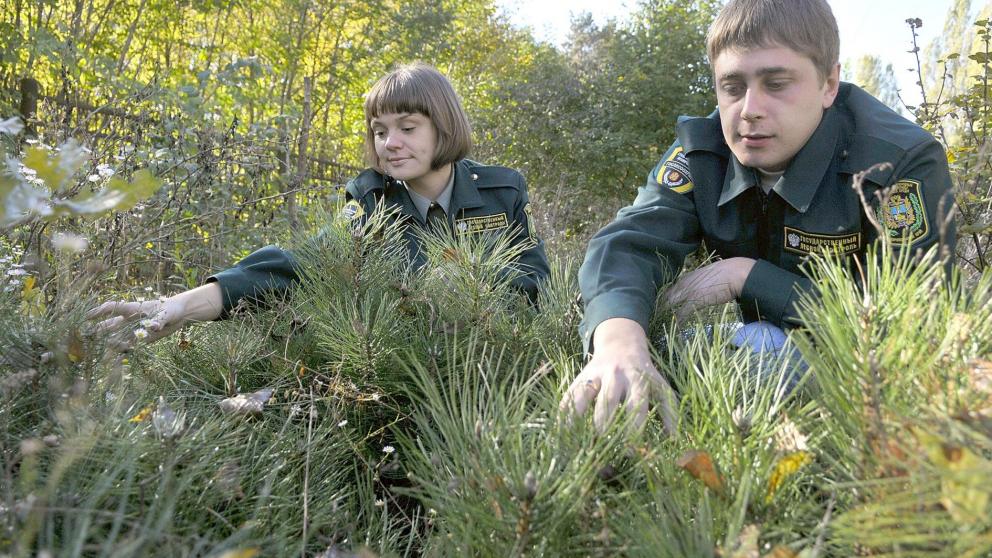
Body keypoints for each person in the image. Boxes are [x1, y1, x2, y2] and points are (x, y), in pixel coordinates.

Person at [559, 0, 956, 435]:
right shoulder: (703, 150)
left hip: (863, 376)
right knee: (614, 352)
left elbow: (917, 323)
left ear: (829, 84)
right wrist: (618, 341)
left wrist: (747, 277)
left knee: (760, 352)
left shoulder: (897, 161)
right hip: (753, 348)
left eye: (777, 83)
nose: (749, 109)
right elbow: (628, 242)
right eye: (732, 86)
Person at [88, 62, 550, 344]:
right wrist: (179, 306)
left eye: (407, 128)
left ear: (443, 127)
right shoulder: (370, 199)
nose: (390, 143)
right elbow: (303, 265)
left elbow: (533, 283)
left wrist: (454, 288)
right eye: (379, 130)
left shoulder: (502, 189)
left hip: (492, 362)